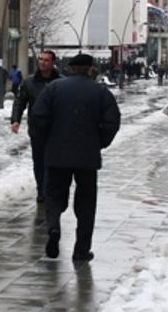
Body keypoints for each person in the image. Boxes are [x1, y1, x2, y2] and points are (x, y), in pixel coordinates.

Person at [31, 53, 121, 262]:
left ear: (70, 69)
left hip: (57, 153)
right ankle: (81, 250)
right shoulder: (100, 92)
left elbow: (38, 116)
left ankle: (53, 228)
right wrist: (99, 142)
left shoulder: (53, 88)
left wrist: (47, 140)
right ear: (90, 69)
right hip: (87, 156)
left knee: (54, 196)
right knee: (86, 203)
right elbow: (112, 121)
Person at [11, 50, 62, 203]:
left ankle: (49, 190)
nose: (42, 62)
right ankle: (42, 189)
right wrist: (15, 120)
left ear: (53, 63)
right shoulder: (29, 82)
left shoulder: (61, 82)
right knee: (39, 162)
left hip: (56, 130)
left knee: (53, 162)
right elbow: (20, 102)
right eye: (40, 59)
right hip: (37, 129)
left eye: (46, 60)